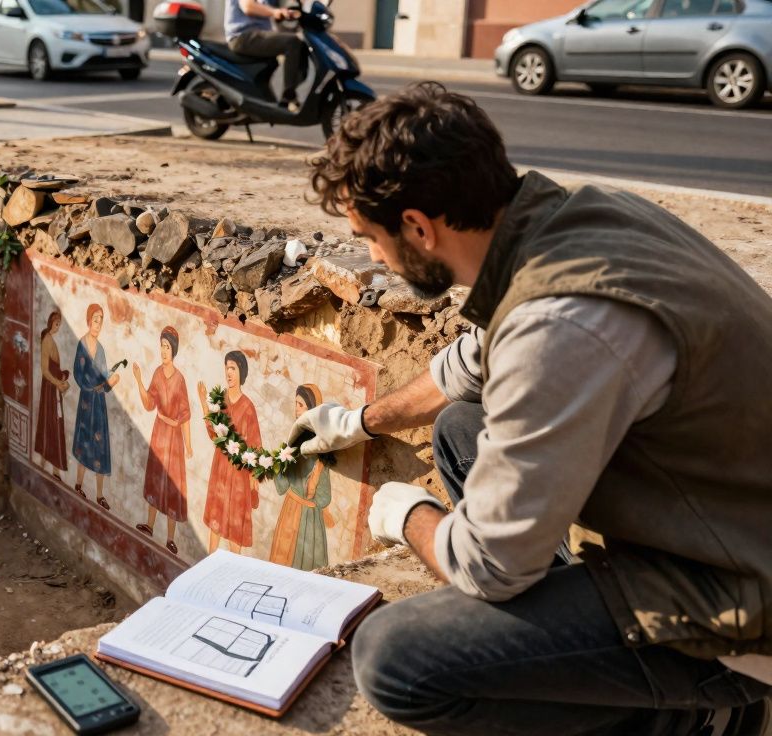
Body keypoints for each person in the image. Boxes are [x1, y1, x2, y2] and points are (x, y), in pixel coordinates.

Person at [291, 81, 772, 735]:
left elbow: (485, 568)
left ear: (416, 227)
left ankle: (692, 717)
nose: (372, 256)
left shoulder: (560, 324)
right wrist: (362, 421)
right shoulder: (576, 224)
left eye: (368, 238)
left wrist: (407, 514)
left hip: (742, 598)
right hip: (726, 522)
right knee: (465, 425)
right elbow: (468, 366)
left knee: (395, 661)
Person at [132, 327, 193, 555]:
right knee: (157, 479)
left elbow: (186, 414)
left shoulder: (180, 379)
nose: (163, 351)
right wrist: (138, 381)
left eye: (167, 347)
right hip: (159, 434)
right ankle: (149, 525)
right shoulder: (158, 373)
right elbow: (149, 403)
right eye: (162, 346)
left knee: (172, 485)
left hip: (174, 439)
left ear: (173, 350)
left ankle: (170, 538)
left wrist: (189, 445)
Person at [199, 350, 262, 554]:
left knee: (235, 526)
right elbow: (212, 432)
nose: (228, 373)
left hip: (238, 475)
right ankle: (209, 567)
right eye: (227, 368)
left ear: (240, 372)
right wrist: (203, 402)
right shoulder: (220, 400)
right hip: (220, 469)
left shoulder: (248, 407)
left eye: (233, 368)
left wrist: (254, 478)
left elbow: (255, 446)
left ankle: (233, 573)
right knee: (216, 520)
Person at [269, 384, 334, 571]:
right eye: (295, 404)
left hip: (309, 519)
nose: (296, 409)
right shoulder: (293, 442)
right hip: (292, 512)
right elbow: (282, 484)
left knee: (306, 567)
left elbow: (324, 495)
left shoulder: (319, 447)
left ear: (312, 410)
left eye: (301, 405)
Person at [72, 303, 120, 510]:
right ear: (88, 320)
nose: (98, 324)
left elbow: (103, 376)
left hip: (98, 404)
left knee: (100, 448)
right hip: (86, 402)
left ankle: (100, 495)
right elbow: (77, 372)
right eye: (95, 320)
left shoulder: (100, 349)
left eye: (101, 321)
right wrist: (91, 387)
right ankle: (78, 484)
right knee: (84, 444)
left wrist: (111, 379)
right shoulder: (82, 344)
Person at [223, 0, 305, 110]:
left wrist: (282, 13)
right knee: (293, 42)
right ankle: (289, 96)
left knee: (300, 46)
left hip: (256, 34)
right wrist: (274, 11)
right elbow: (248, 7)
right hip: (242, 36)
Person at [34, 310, 70, 480]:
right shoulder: (47, 341)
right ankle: (48, 466)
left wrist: (63, 377)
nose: (57, 328)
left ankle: (53, 468)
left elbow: (54, 369)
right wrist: (59, 383)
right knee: (51, 425)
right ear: (50, 323)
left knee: (54, 425)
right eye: (56, 324)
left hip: (53, 388)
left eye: (59, 325)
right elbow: (45, 371)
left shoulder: (51, 340)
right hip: (50, 389)